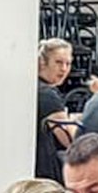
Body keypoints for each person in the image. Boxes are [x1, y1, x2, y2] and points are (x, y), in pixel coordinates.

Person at [33, 37, 75, 180]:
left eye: (68, 64)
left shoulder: (34, 86)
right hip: (44, 172)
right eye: (58, 62)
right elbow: (69, 139)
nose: (64, 69)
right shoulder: (47, 95)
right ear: (42, 63)